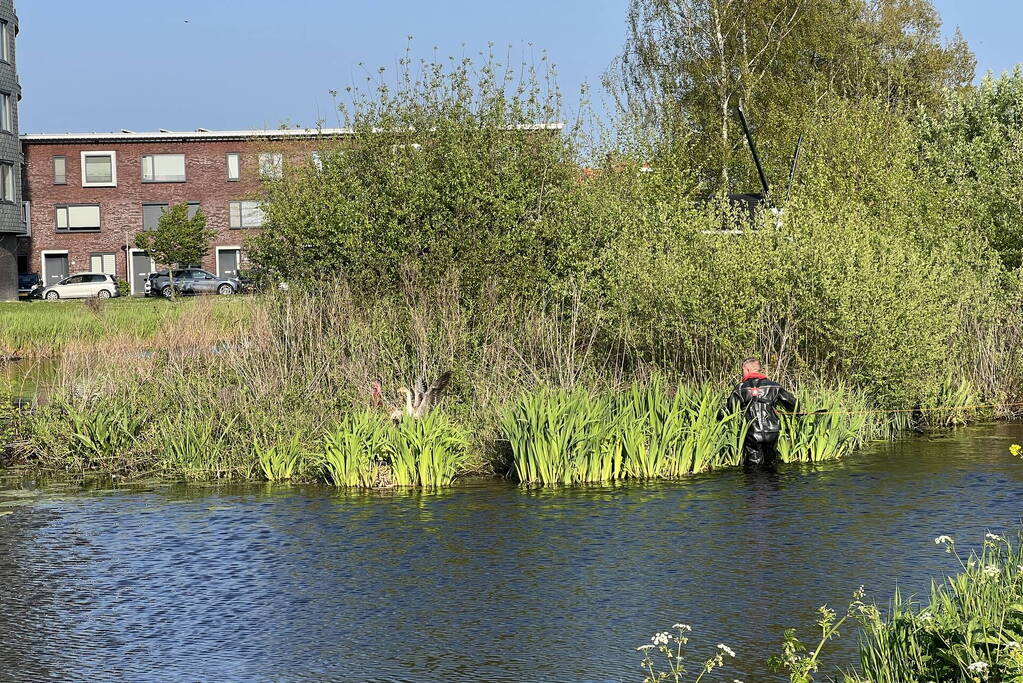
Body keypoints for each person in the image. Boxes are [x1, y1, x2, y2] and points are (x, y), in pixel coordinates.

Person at [723, 358, 797, 470]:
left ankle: (755, 486)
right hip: (772, 430)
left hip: (752, 431)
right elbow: (793, 403)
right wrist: (795, 414)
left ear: (746, 369)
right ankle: (772, 485)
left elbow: (729, 410)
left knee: (754, 465)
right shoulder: (774, 386)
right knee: (771, 462)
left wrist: (716, 417)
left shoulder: (741, 388)